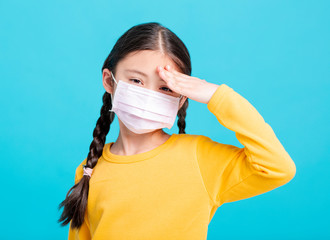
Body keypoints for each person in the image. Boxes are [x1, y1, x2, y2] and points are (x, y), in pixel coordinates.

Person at [58, 22, 296, 240]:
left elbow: (277, 167)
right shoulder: (89, 170)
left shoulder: (200, 158)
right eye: (136, 81)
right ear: (110, 81)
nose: (149, 95)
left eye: (165, 87)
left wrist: (216, 95)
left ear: (182, 98)